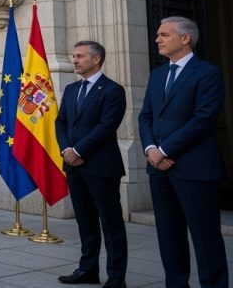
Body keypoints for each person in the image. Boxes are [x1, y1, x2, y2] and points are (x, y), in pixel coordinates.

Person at [138, 16, 228, 288]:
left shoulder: (207, 73)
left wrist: (164, 150)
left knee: (205, 237)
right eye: (158, 35)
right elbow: (146, 117)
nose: (157, 40)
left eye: (164, 35)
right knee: (169, 235)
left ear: (185, 38)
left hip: (194, 168)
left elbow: (202, 120)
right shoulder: (157, 75)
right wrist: (152, 149)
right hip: (159, 169)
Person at [55, 41, 127, 287]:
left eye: (80, 56)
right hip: (74, 165)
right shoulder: (72, 89)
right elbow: (61, 121)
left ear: (96, 59)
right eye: (73, 56)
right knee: (85, 221)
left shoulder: (113, 90)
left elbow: (106, 127)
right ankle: (88, 270)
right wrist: (66, 150)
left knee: (110, 222)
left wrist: (78, 150)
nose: (75, 60)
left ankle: (117, 276)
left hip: (101, 166)